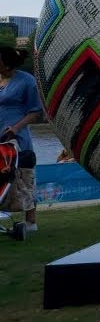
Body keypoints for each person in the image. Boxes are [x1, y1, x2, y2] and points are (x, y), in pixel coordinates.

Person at [0, 47, 40, 237]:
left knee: (23, 177)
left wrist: (16, 128)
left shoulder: (27, 81)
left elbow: (35, 112)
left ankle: (31, 221)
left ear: (6, 63)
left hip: (16, 138)